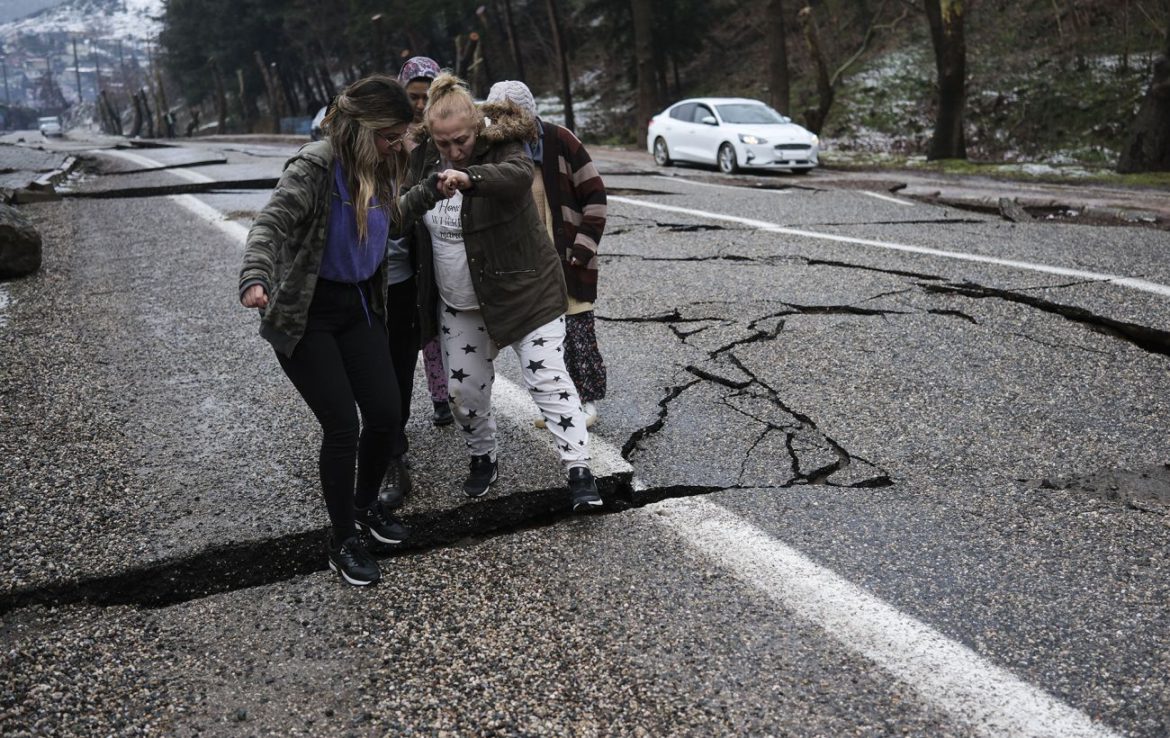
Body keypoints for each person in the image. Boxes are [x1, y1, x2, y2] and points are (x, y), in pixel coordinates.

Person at [239, 75, 441, 586]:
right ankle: (342, 539)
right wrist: (255, 276)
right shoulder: (316, 164)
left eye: (401, 136)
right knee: (342, 426)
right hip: (307, 312)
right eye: (389, 136)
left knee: (386, 414)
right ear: (361, 127)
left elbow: (389, 221)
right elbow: (271, 223)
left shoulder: (382, 163)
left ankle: (366, 506)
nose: (398, 145)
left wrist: (429, 191)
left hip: (357, 305)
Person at [396, 72, 603, 512]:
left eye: (463, 140)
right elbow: (400, 211)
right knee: (464, 395)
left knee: (547, 377)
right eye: (445, 143)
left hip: (527, 291)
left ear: (477, 127)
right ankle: (483, 457)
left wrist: (471, 177)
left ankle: (580, 470)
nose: (455, 150)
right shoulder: (425, 161)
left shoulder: (504, 144)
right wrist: (426, 191)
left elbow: (515, 175)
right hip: (462, 302)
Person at [483, 81, 608, 429]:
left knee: (578, 333)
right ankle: (556, 402)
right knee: (544, 339)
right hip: (527, 266)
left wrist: (582, 248)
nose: (502, 123)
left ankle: (585, 402)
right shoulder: (494, 149)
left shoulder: (560, 141)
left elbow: (595, 196)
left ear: (527, 114)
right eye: (496, 115)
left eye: (510, 114)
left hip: (569, 260)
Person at [396, 55, 454, 428]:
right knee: (410, 325)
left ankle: (443, 397)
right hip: (404, 243)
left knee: (436, 322)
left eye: (425, 97)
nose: (419, 105)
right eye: (413, 97)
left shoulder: (446, 130)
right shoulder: (391, 133)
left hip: (438, 242)